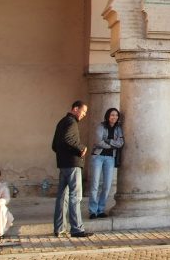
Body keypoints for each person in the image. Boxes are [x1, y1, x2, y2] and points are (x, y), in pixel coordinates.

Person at [52, 100, 93, 238]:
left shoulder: (61, 122)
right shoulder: (71, 122)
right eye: (83, 111)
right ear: (75, 109)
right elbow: (68, 139)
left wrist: (63, 155)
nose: (84, 114)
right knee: (76, 196)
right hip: (72, 164)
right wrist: (81, 147)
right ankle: (77, 229)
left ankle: (59, 228)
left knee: (62, 197)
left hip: (63, 164)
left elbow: (54, 145)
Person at [89, 107, 124, 219]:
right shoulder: (101, 126)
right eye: (112, 115)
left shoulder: (118, 128)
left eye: (116, 115)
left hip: (110, 158)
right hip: (98, 157)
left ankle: (100, 209)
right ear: (108, 116)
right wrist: (111, 145)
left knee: (107, 185)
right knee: (95, 184)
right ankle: (93, 211)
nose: (114, 117)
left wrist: (108, 141)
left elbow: (121, 143)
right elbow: (98, 142)